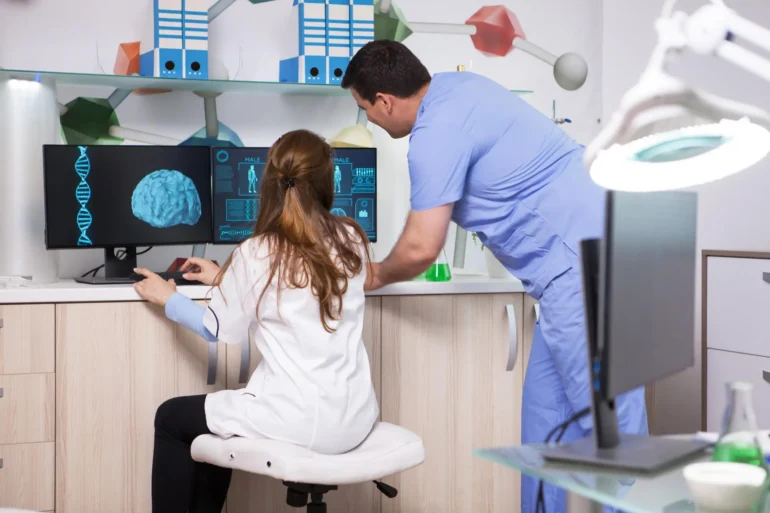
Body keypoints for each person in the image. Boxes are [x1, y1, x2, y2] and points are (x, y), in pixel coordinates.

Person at [341, 40, 648, 513]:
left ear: (384, 99)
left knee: (610, 434)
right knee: (546, 427)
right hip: (567, 273)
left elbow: (423, 245)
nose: (372, 123)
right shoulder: (460, 88)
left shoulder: (435, 134)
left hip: (585, 267)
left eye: (366, 110)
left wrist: (374, 275)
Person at [132, 129, 380, 513]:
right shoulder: (351, 237)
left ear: (269, 184)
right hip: (355, 417)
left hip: (297, 419)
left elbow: (219, 328)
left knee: (171, 418)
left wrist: (170, 298)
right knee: (217, 421)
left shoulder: (258, 251)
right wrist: (226, 277)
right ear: (327, 182)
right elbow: (306, 287)